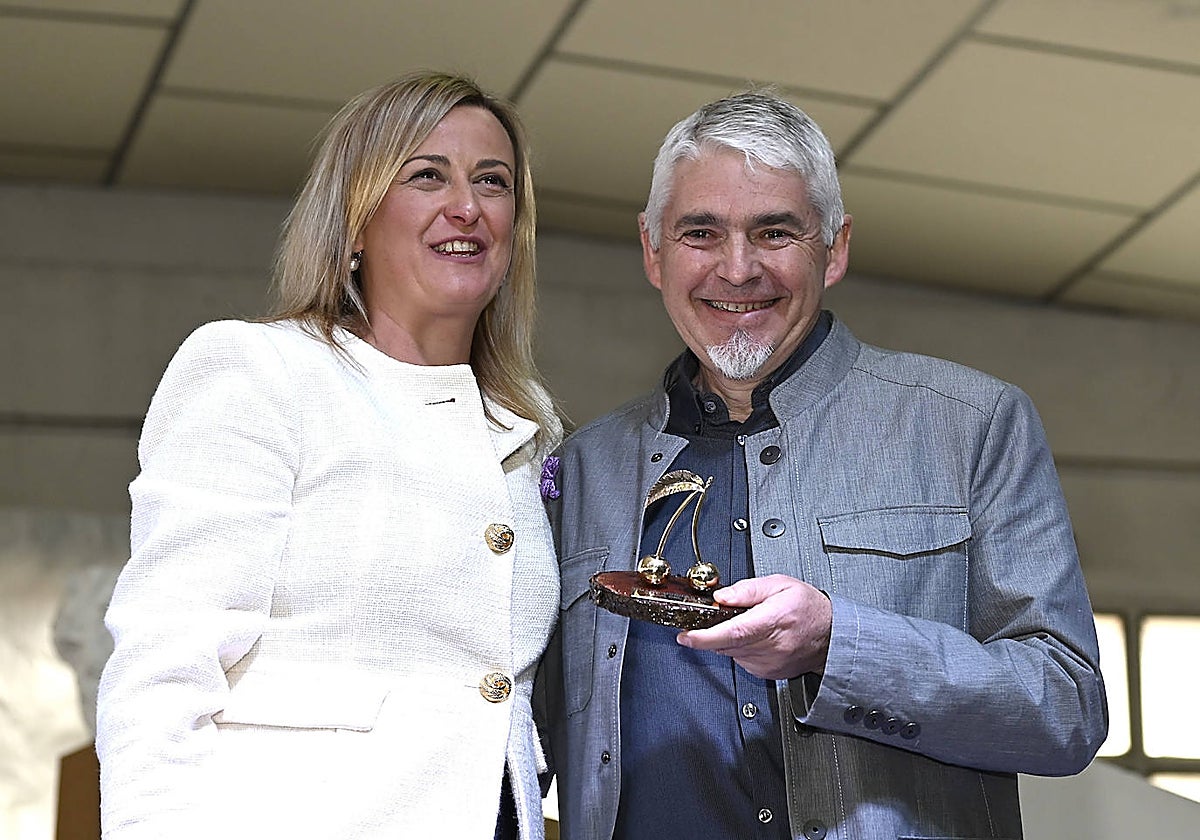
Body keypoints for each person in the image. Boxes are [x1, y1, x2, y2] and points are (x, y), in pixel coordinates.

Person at [540, 91, 1107, 839]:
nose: (737, 269)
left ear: (834, 248)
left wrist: (841, 644)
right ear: (653, 250)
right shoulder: (578, 471)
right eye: (700, 233)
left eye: (774, 231)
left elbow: (1065, 708)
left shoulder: (970, 425)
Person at [96, 71, 561, 840]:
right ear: (354, 222)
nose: (468, 206)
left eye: (493, 181)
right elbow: (162, 670)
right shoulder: (259, 371)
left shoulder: (526, 425)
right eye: (426, 175)